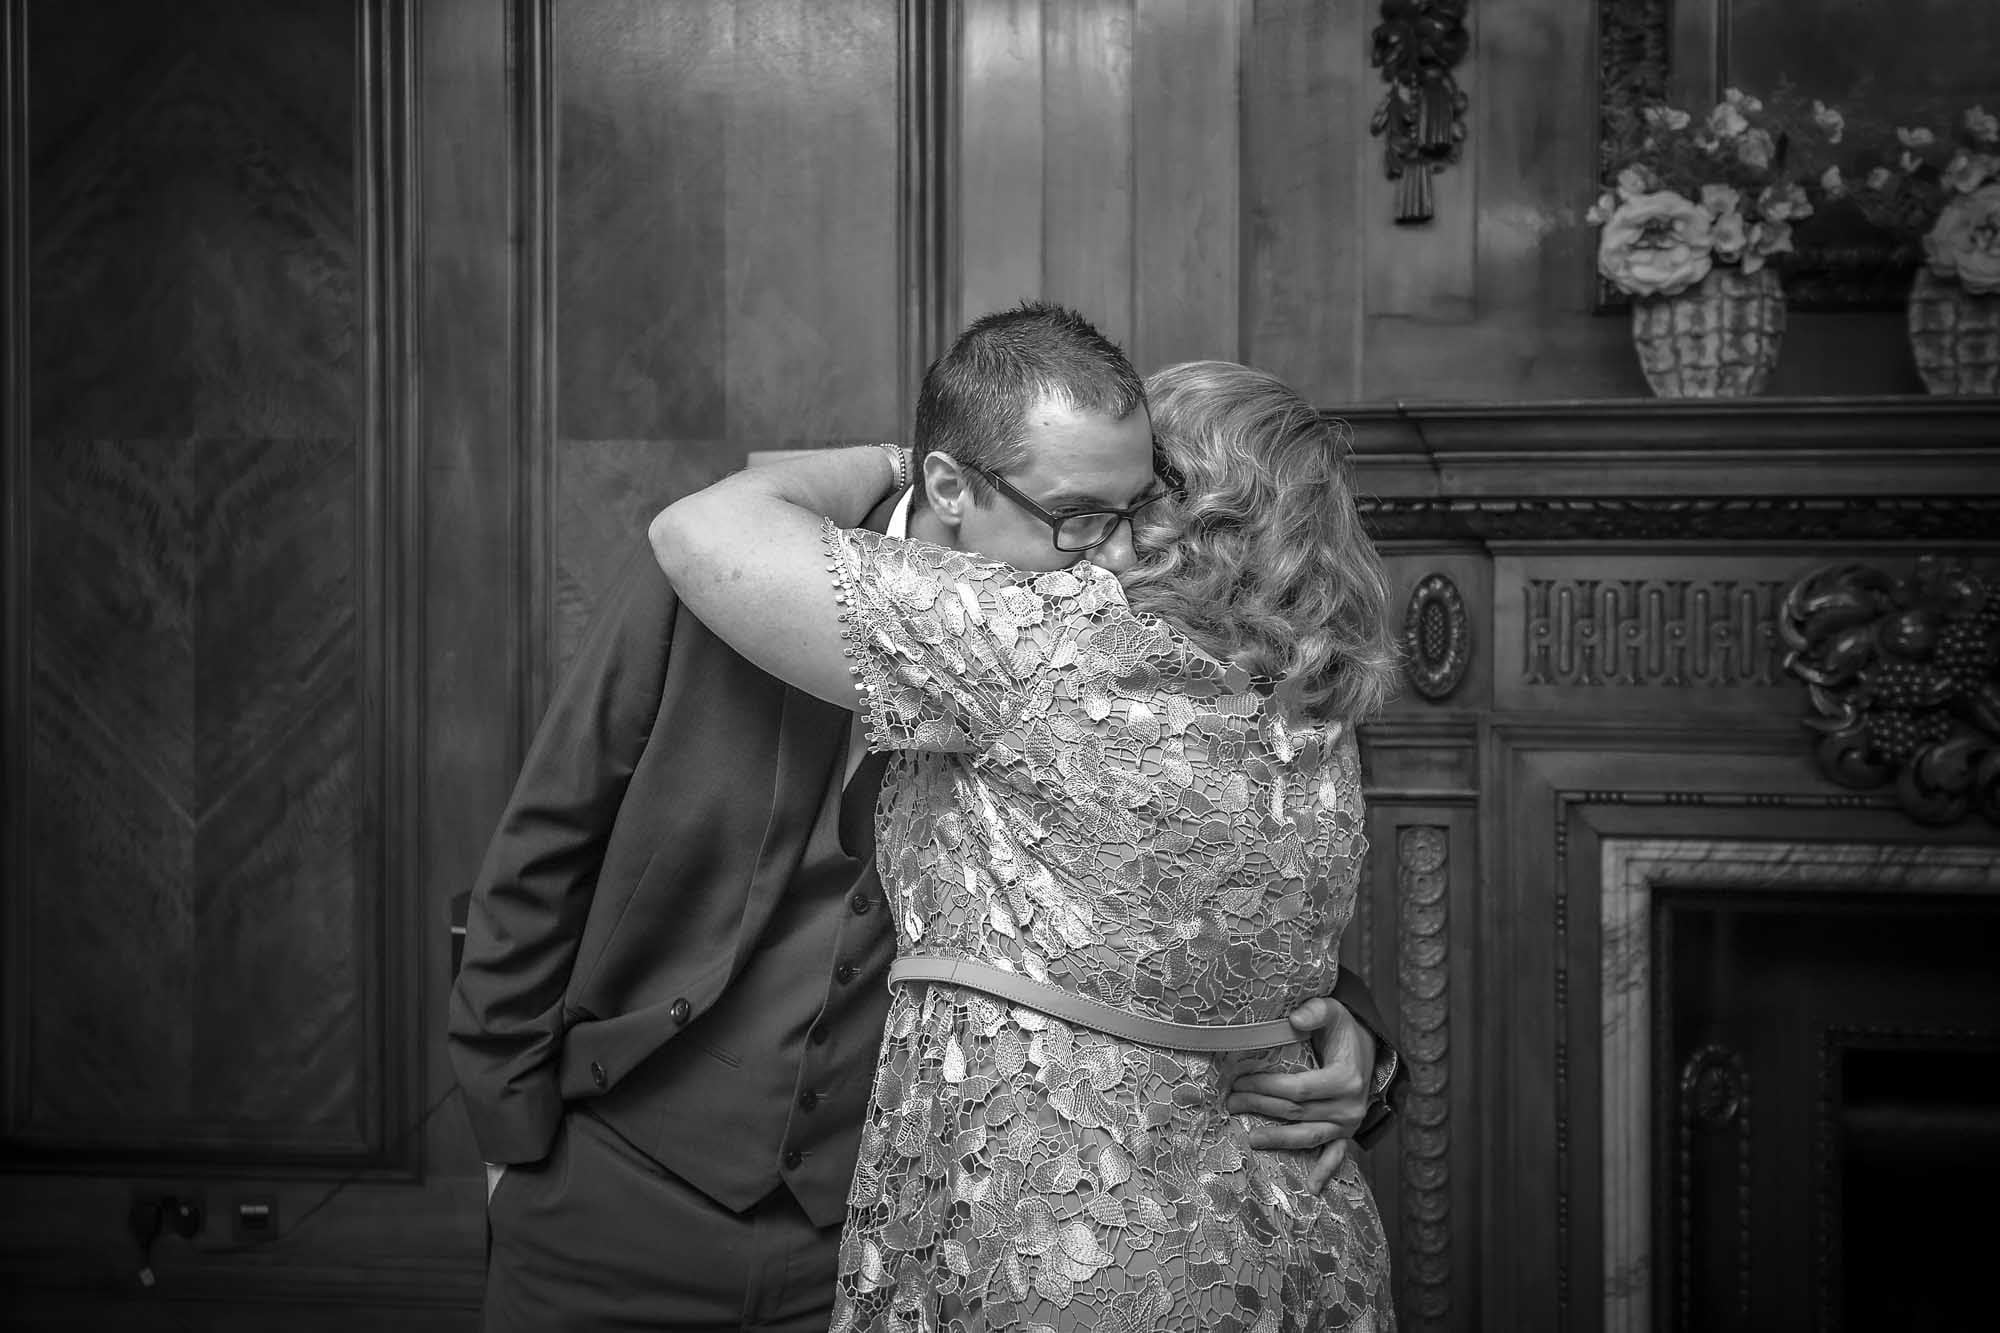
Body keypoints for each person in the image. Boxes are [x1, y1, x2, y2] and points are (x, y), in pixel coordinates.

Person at [448, 303, 1404, 1331]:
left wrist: (1350, 1042)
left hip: (896, 1230)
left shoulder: (1110, 653)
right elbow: (549, 843)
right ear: (948, 484)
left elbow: (1204, 902)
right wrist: (510, 1138)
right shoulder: (721, 579)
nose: (1111, 553)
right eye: (1083, 516)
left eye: (1134, 511)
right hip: (621, 1194)